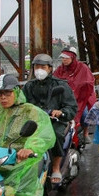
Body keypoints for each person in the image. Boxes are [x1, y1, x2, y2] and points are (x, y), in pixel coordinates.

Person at [22, 53, 78, 185]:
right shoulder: (29, 86)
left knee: (56, 135)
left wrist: (61, 112)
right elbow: (21, 102)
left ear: (50, 69)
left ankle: (56, 167)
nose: (39, 70)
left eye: (43, 67)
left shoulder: (61, 85)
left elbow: (71, 106)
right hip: (35, 121)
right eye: (36, 67)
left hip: (54, 121)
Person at [53, 46, 96, 144]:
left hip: (80, 99)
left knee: (85, 115)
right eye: (63, 58)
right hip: (63, 99)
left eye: (66, 57)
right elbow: (54, 81)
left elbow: (89, 82)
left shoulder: (83, 68)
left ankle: (85, 133)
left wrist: (79, 89)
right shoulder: (60, 70)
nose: (64, 60)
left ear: (73, 57)